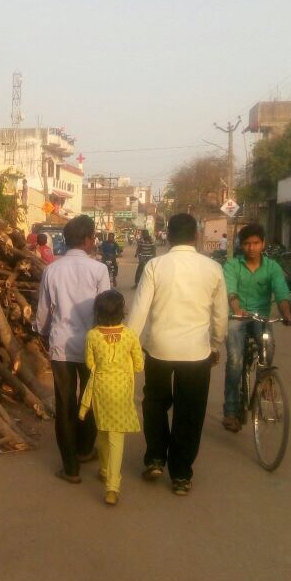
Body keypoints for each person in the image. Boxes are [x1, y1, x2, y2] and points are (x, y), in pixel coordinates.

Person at [126, 213, 228, 496]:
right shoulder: (212, 268)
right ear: (195, 236)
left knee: (155, 404)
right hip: (197, 353)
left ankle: (156, 458)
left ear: (168, 236)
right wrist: (216, 345)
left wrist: (128, 346)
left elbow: (139, 311)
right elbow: (220, 315)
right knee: (190, 412)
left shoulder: (155, 266)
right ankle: (181, 474)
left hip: (159, 349)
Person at [35, 215, 111, 483]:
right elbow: (107, 313)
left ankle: (70, 468)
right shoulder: (99, 270)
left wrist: (43, 334)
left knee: (65, 403)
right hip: (93, 346)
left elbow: (44, 312)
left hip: (62, 347)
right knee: (89, 400)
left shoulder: (52, 270)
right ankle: (84, 449)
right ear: (89, 239)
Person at [221, 223, 291, 433]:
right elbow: (231, 291)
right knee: (235, 361)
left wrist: (286, 313)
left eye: (255, 243)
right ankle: (231, 411)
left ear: (263, 244)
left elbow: (281, 294)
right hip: (237, 317)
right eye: (246, 244)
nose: (251, 248)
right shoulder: (232, 266)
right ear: (241, 246)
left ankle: (265, 381)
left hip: (260, 317)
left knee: (268, 344)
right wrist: (237, 309)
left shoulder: (273, 267)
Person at [79, 290, 143, 505]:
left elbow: (89, 364)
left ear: (97, 312)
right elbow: (139, 365)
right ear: (122, 311)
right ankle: (112, 487)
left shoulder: (92, 335)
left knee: (103, 430)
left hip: (101, 389)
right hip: (122, 389)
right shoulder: (130, 335)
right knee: (116, 437)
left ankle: (105, 470)